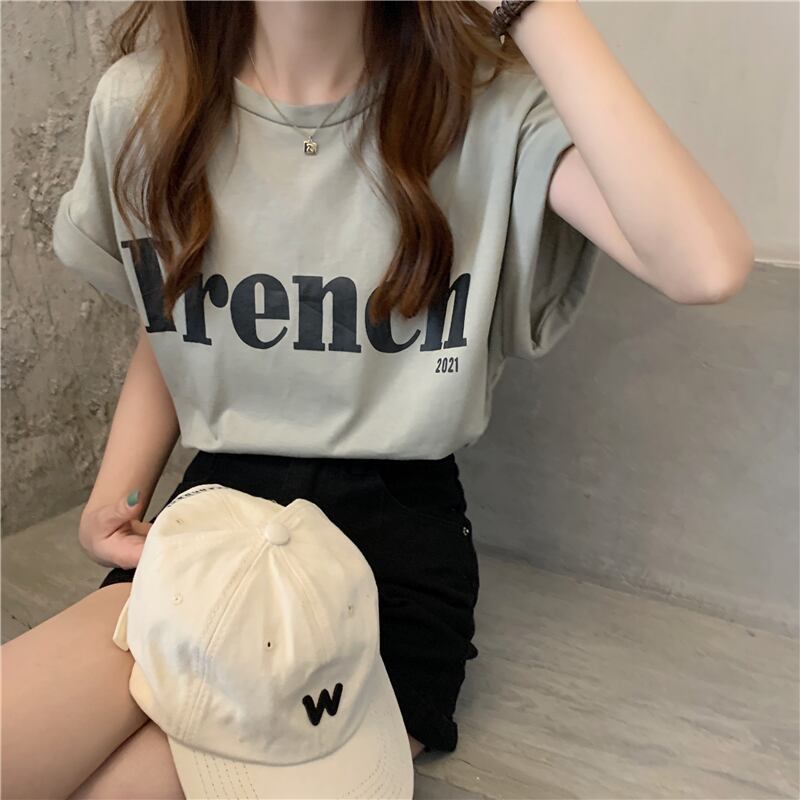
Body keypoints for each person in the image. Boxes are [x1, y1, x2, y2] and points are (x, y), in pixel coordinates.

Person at [2, 1, 753, 798]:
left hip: (390, 550)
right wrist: (116, 496)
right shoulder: (145, 103)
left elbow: (704, 265)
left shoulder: (486, 111)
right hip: (213, 528)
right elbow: (174, 315)